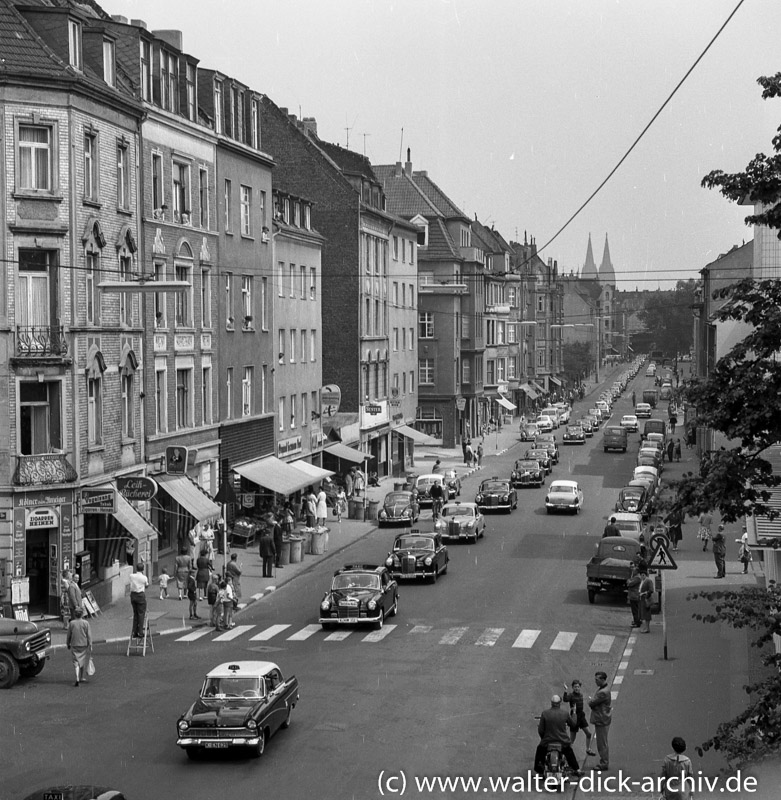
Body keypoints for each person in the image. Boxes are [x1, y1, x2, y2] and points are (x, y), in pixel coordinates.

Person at [533, 695, 581, 776]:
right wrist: (574, 713)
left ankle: (539, 769)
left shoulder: (545, 713)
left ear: (551, 703)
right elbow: (573, 724)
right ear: (559, 703)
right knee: (569, 752)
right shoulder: (565, 713)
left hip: (548, 741)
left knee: (540, 750)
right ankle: (577, 769)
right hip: (562, 741)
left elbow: (541, 730)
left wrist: (544, 738)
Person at [563, 679, 596, 756]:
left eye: (578, 687)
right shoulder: (571, 695)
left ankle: (588, 749)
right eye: (575, 687)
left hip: (581, 716)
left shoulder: (581, 695)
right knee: (572, 739)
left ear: (580, 687)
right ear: (572, 688)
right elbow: (565, 699)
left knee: (588, 733)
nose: (576, 688)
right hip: (574, 717)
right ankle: (567, 755)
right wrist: (565, 690)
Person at [588, 672, 612, 771]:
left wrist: (591, 701)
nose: (595, 681)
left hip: (601, 719)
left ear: (602, 679)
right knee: (602, 742)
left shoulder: (602, 692)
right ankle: (604, 761)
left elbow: (592, 703)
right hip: (603, 718)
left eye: (597, 679)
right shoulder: (604, 689)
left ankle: (604, 763)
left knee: (601, 743)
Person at [66, 606, 92, 687]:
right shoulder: (86, 623)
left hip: (74, 644)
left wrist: (68, 643)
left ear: (74, 614)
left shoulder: (71, 623)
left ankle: (77, 677)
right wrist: (90, 644)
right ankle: (82, 677)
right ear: (82, 614)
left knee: (75, 661)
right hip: (83, 644)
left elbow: (69, 635)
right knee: (82, 660)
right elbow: (89, 635)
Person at [129, 564, 148, 638]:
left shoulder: (131, 576)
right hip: (140, 595)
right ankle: (140, 632)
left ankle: (134, 631)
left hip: (133, 595)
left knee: (135, 613)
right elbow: (146, 585)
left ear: (136, 568)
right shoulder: (144, 577)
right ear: (143, 569)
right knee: (141, 613)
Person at [638, 565, 655, 633]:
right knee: (643, 614)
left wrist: (645, 594)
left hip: (645, 600)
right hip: (642, 599)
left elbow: (651, 590)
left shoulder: (648, 581)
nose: (640, 577)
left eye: (641, 575)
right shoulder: (643, 581)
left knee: (647, 614)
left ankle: (647, 628)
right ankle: (646, 628)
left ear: (643, 575)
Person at [626, 562, 642, 628]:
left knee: (635, 610)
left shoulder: (637, 578)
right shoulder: (635, 577)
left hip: (634, 595)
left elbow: (629, 583)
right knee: (635, 609)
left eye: (634, 569)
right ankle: (636, 621)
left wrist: (629, 581)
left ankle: (637, 622)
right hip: (634, 595)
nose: (633, 570)